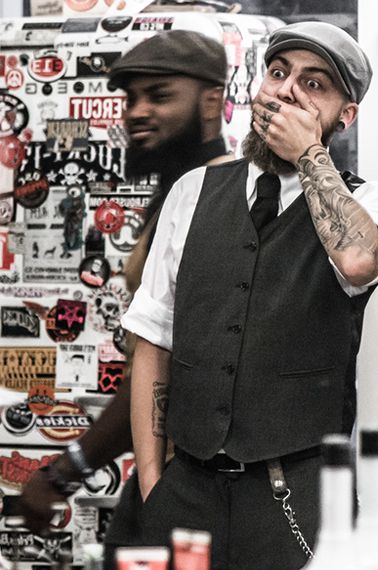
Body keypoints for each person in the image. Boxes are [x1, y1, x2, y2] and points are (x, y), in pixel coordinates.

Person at [119, 22, 378, 568]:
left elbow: (358, 261)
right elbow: (152, 340)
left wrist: (309, 153)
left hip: (298, 495)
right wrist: (154, 485)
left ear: (345, 116)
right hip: (187, 491)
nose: (287, 91)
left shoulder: (372, 202)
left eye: (313, 84)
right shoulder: (192, 192)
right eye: (278, 73)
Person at [10, 29, 233, 542]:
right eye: (131, 98)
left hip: (195, 480)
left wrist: (65, 470)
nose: (136, 112)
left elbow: (167, 362)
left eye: (159, 96)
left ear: (211, 101)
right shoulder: (181, 190)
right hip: (170, 470)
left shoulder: (214, 197)